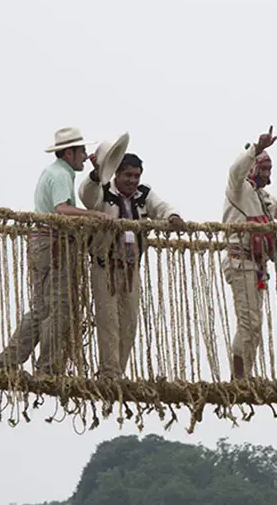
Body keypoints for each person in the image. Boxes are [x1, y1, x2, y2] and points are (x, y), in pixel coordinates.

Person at [0, 127, 111, 374]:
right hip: (53, 244)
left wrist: (96, 170)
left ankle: (8, 361)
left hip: (43, 243)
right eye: (81, 151)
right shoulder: (61, 176)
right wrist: (93, 215)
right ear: (69, 153)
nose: (84, 155)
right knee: (60, 308)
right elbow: (62, 209)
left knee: (42, 308)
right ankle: (48, 368)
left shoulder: (57, 172)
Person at [79, 147, 184, 379]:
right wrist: (96, 173)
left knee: (129, 322)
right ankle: (109, 372)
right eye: (128, 175)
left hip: (130, 268)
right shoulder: (103, 191)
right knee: (108, 321)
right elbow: (86, 195)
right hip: (104, 265)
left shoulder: (143, 195)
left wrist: (173, 217)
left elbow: (162, 207)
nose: (132, 180)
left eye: (136, 176)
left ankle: (118, 371)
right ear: (116, 174)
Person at [223, 126, 277, 379]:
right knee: (248, 325)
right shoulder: (237, 188)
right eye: (263, 167)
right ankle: (239, 378)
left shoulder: (263, 196)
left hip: (256, 266)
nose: (266, 173)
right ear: (251, 167)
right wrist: (256, 149)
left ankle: (245, 375)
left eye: (269, 169)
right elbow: (235, 171)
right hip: (240, 261)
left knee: (254, 326)